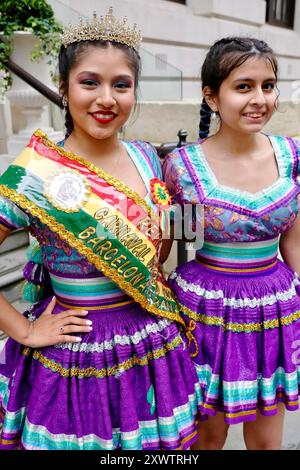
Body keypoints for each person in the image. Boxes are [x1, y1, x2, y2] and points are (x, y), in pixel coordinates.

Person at [0, 8, 201, 450]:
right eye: (89, 82)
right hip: (74, 348)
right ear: (63, 88)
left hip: (148, 341)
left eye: (121, 85)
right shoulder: (35, 172)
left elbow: (170, 238)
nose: (106, 98)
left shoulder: (149, 158)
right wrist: (24, 329)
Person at [163, 37, 300, 450]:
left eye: (268, 86)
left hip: (274, 308)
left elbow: (294, 244)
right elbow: (168, 248)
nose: (259, 99)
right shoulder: (182, 167)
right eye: (244, 86)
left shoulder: (291, 156)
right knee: (207, 434)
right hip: (205, 311)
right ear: (212, 95)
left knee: (266, 435)